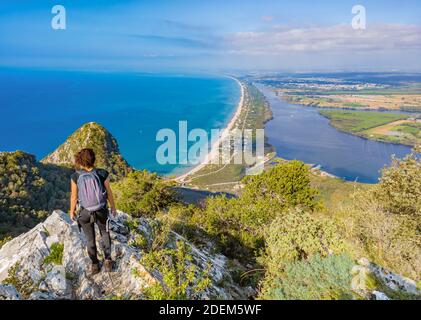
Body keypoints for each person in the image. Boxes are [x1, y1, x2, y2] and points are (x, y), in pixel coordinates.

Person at [69, 148, 117, 275]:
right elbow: (109, 192)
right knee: (104, 233)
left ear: (79, 161)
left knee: (90, 239)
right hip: (101, 210)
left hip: (85, 213)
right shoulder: (102, 173)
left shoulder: (75, 176)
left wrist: (72, 211)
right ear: (93, 159)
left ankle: (95, 264)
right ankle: (107, 262)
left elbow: (74, 196)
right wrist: (113, 207)